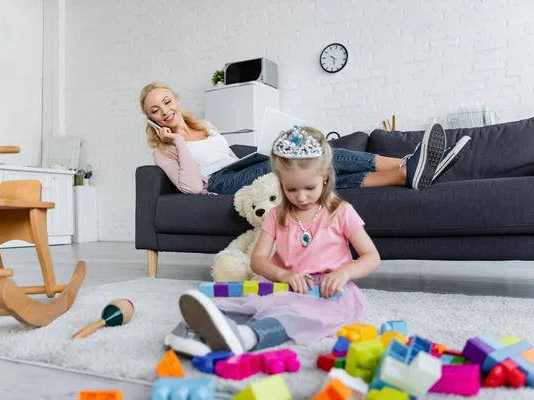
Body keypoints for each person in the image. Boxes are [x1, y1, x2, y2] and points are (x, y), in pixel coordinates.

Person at [164, 126, 384, 357]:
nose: (301, 197)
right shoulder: (276, 214)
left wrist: (344, 273)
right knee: (245, 306)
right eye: (291, 189)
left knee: (295, 317)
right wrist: (283, 276)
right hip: (283, 283)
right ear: (280, 183)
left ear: (325, 178)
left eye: (310, 188)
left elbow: (371, 256)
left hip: (326, 292)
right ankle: (191, 332)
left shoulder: (341, 212)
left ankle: (247, 338)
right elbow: (258, 260)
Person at [140, 82, 471, 195]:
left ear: (177, 99)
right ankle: (409, 165)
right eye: (155, 110)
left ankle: (404, 172)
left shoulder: (207, 125)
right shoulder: (163, 153)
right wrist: (178, 142)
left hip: (242, 167)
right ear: (152, 120)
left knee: (312, 155)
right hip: (220, 184)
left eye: (167, 102)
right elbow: (193, 188)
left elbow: (230, 156)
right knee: (301, 157)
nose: (165, 111)